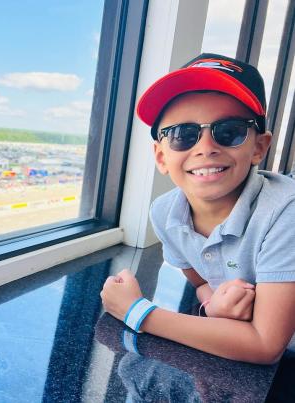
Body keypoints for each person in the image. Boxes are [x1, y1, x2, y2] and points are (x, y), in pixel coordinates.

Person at [100, 53, 295, 364]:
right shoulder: (165, 213)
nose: (205, 147)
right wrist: (213, 306)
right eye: (183, 135)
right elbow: (202, 281)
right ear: (161, 156)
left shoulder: (286, 212)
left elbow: (265, 343)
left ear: (259, 146)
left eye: (229, 130)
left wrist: (137, 312)